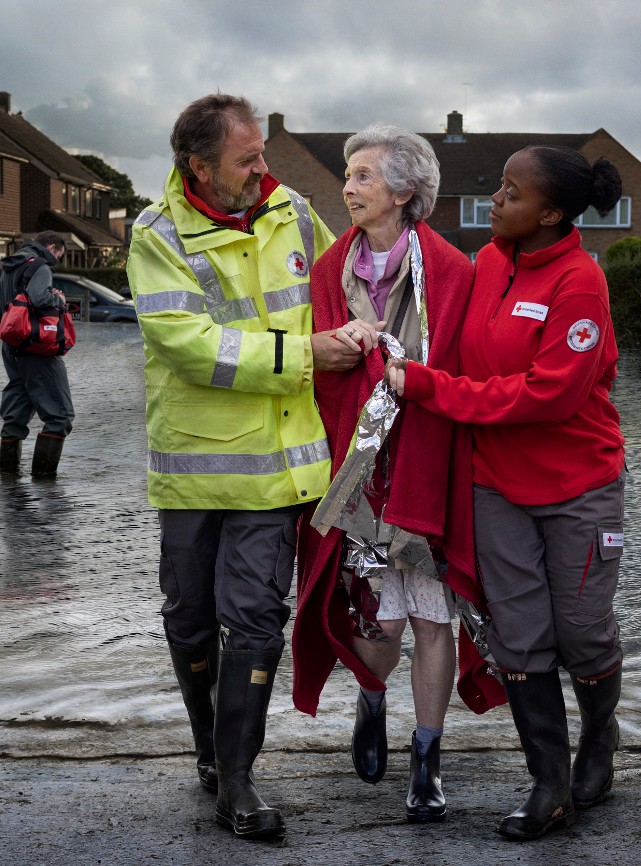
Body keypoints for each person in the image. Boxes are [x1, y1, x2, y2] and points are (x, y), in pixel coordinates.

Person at [126, 93, 360, 841]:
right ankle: (209, 751)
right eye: (247, 158)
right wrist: (302, 356)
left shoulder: (290, 208)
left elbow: (342, 282)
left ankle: (238, 781)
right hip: (195, 468)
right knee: (189, 621)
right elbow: (186, 344)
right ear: (199, 166)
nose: (264, 168)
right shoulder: (157, 233)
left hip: (278, 468)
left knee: (256, 618)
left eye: (262, 153)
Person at [385, 145, 626, 840]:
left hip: (578, 486)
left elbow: (546, 397)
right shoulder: (488, 264)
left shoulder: (579, 283)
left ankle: (599, 738)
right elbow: (448, 348)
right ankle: (548, 786)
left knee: (581, 634)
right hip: (495, 487)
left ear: (549, 213)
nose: (494, 200)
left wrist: (432, 388)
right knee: (518, 638)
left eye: (510, 193)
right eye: (499, 186)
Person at [292, 124, 475, 823]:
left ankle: (426, 760)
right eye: (348, 174)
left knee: (433, 619)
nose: (348, 186)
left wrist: (411, 373)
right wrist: (341, 351)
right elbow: (317, 378)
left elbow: (465, 371)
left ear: (404, 192)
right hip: (358, 471)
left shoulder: (454, 270)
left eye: (364, 175)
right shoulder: (327, 268)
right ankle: (371, 698)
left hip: (427, 465)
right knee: (377, 621)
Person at [0, 230, 74, 477]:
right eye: (57, 257)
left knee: (16, 411)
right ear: (51, 247)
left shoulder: (9, 266)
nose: (55, 263)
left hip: (11, 344)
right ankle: (45, 483)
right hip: (36, 345)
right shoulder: (39, 265)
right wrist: (60, 301)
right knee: (60, 416)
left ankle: (8, 480)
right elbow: (40, 298)